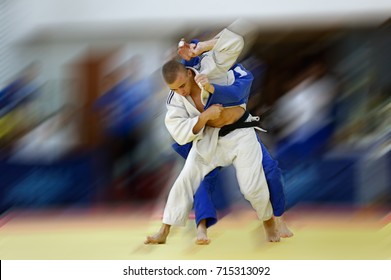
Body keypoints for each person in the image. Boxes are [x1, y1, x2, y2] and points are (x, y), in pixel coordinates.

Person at [145, 27, 280, 245]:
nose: (181, 92)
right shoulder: (175, 100)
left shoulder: (209, 68)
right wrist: (205, 116)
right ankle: (164, 231)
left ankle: (268, 221)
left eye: (182, 85)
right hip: (208, 139)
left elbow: (235, 42)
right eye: (174, 89)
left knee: (251, 187)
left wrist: (205, 47)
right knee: (185, 180)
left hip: (238, 134)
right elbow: (179, 132)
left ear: (189, 73)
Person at [174, 36, 293, 244]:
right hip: (209, 137)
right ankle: (201, 227)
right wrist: (190, 53)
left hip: (240, 133)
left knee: (270, 170)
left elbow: (236, 93)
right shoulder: (196, 71)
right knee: (202, 178)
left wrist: (211, 88)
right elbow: (186, 70)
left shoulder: (239, 72)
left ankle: (278, 218)